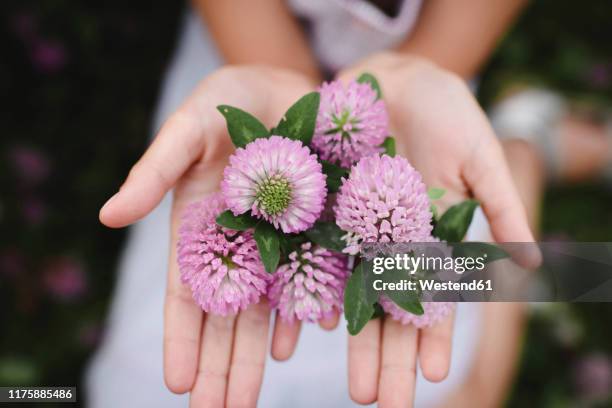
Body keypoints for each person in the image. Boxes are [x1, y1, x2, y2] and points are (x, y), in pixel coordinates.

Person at [86, 1, 538, 406]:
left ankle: (527, 145)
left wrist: (394, 85)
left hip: (406, 93)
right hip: (279, 62)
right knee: (456, 382)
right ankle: (528, 151)